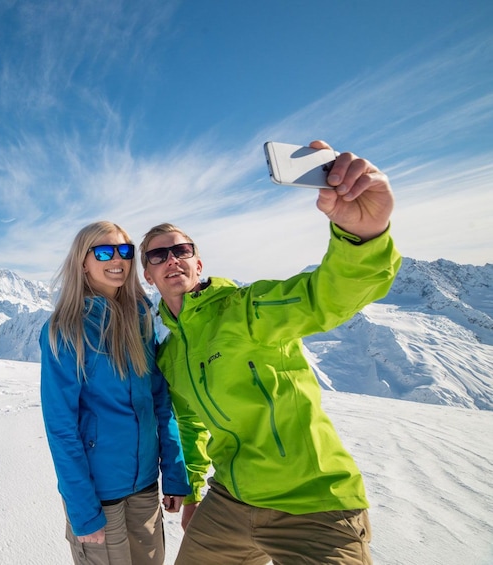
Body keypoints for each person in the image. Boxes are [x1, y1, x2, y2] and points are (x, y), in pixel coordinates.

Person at [138, 140, 401, 564]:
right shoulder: (170, 353)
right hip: (230, 501)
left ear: (198, 264)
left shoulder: (247, 309)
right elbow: (189, 423)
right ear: (149, 275)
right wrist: (193, 493)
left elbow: (325, 298)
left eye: (182, 250)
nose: (172, 259)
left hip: (314, 502)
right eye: (158, 254)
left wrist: (361, 235)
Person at [41, 220, 191, 565]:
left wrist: (174, 472)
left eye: (124, 250)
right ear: (83, 262)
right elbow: (61, 426)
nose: (118, 259)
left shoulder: (139, 315)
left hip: (144, 486)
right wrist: (82, 510)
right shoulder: (66, 328)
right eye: (105, 251)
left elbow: (159, 403)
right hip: (99, 494)